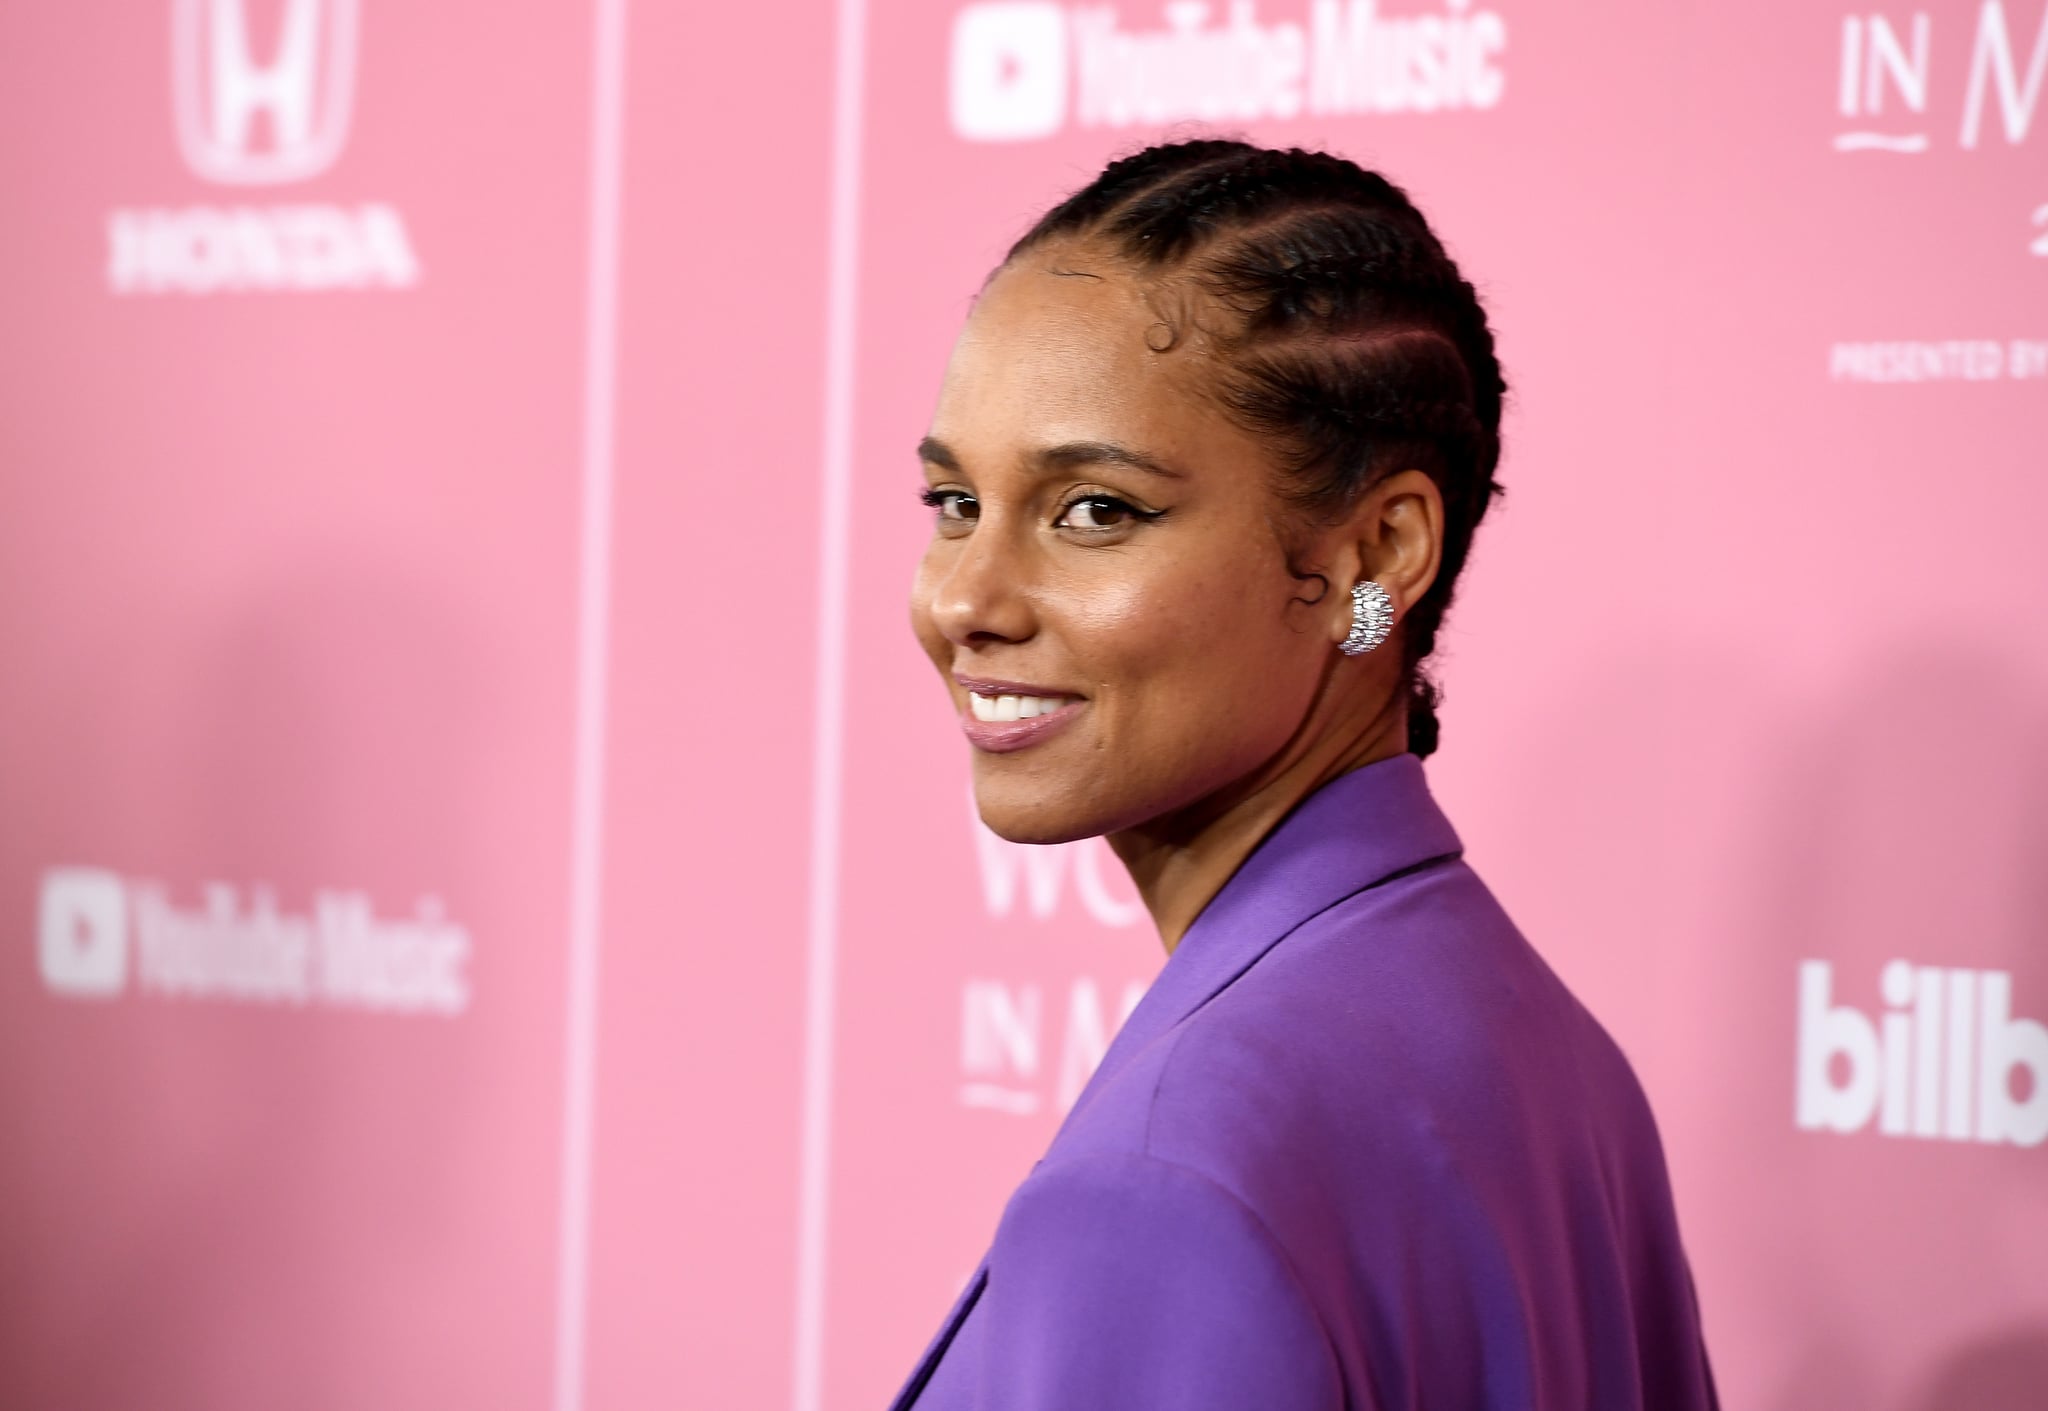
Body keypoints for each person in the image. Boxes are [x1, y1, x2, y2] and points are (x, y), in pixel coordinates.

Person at [893, 140, 1718, 1410]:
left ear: (1372, 553)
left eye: (1094, 510)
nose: (964, 599)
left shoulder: (1167, 1179)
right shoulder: (1551, 1057)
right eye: (954, 500)